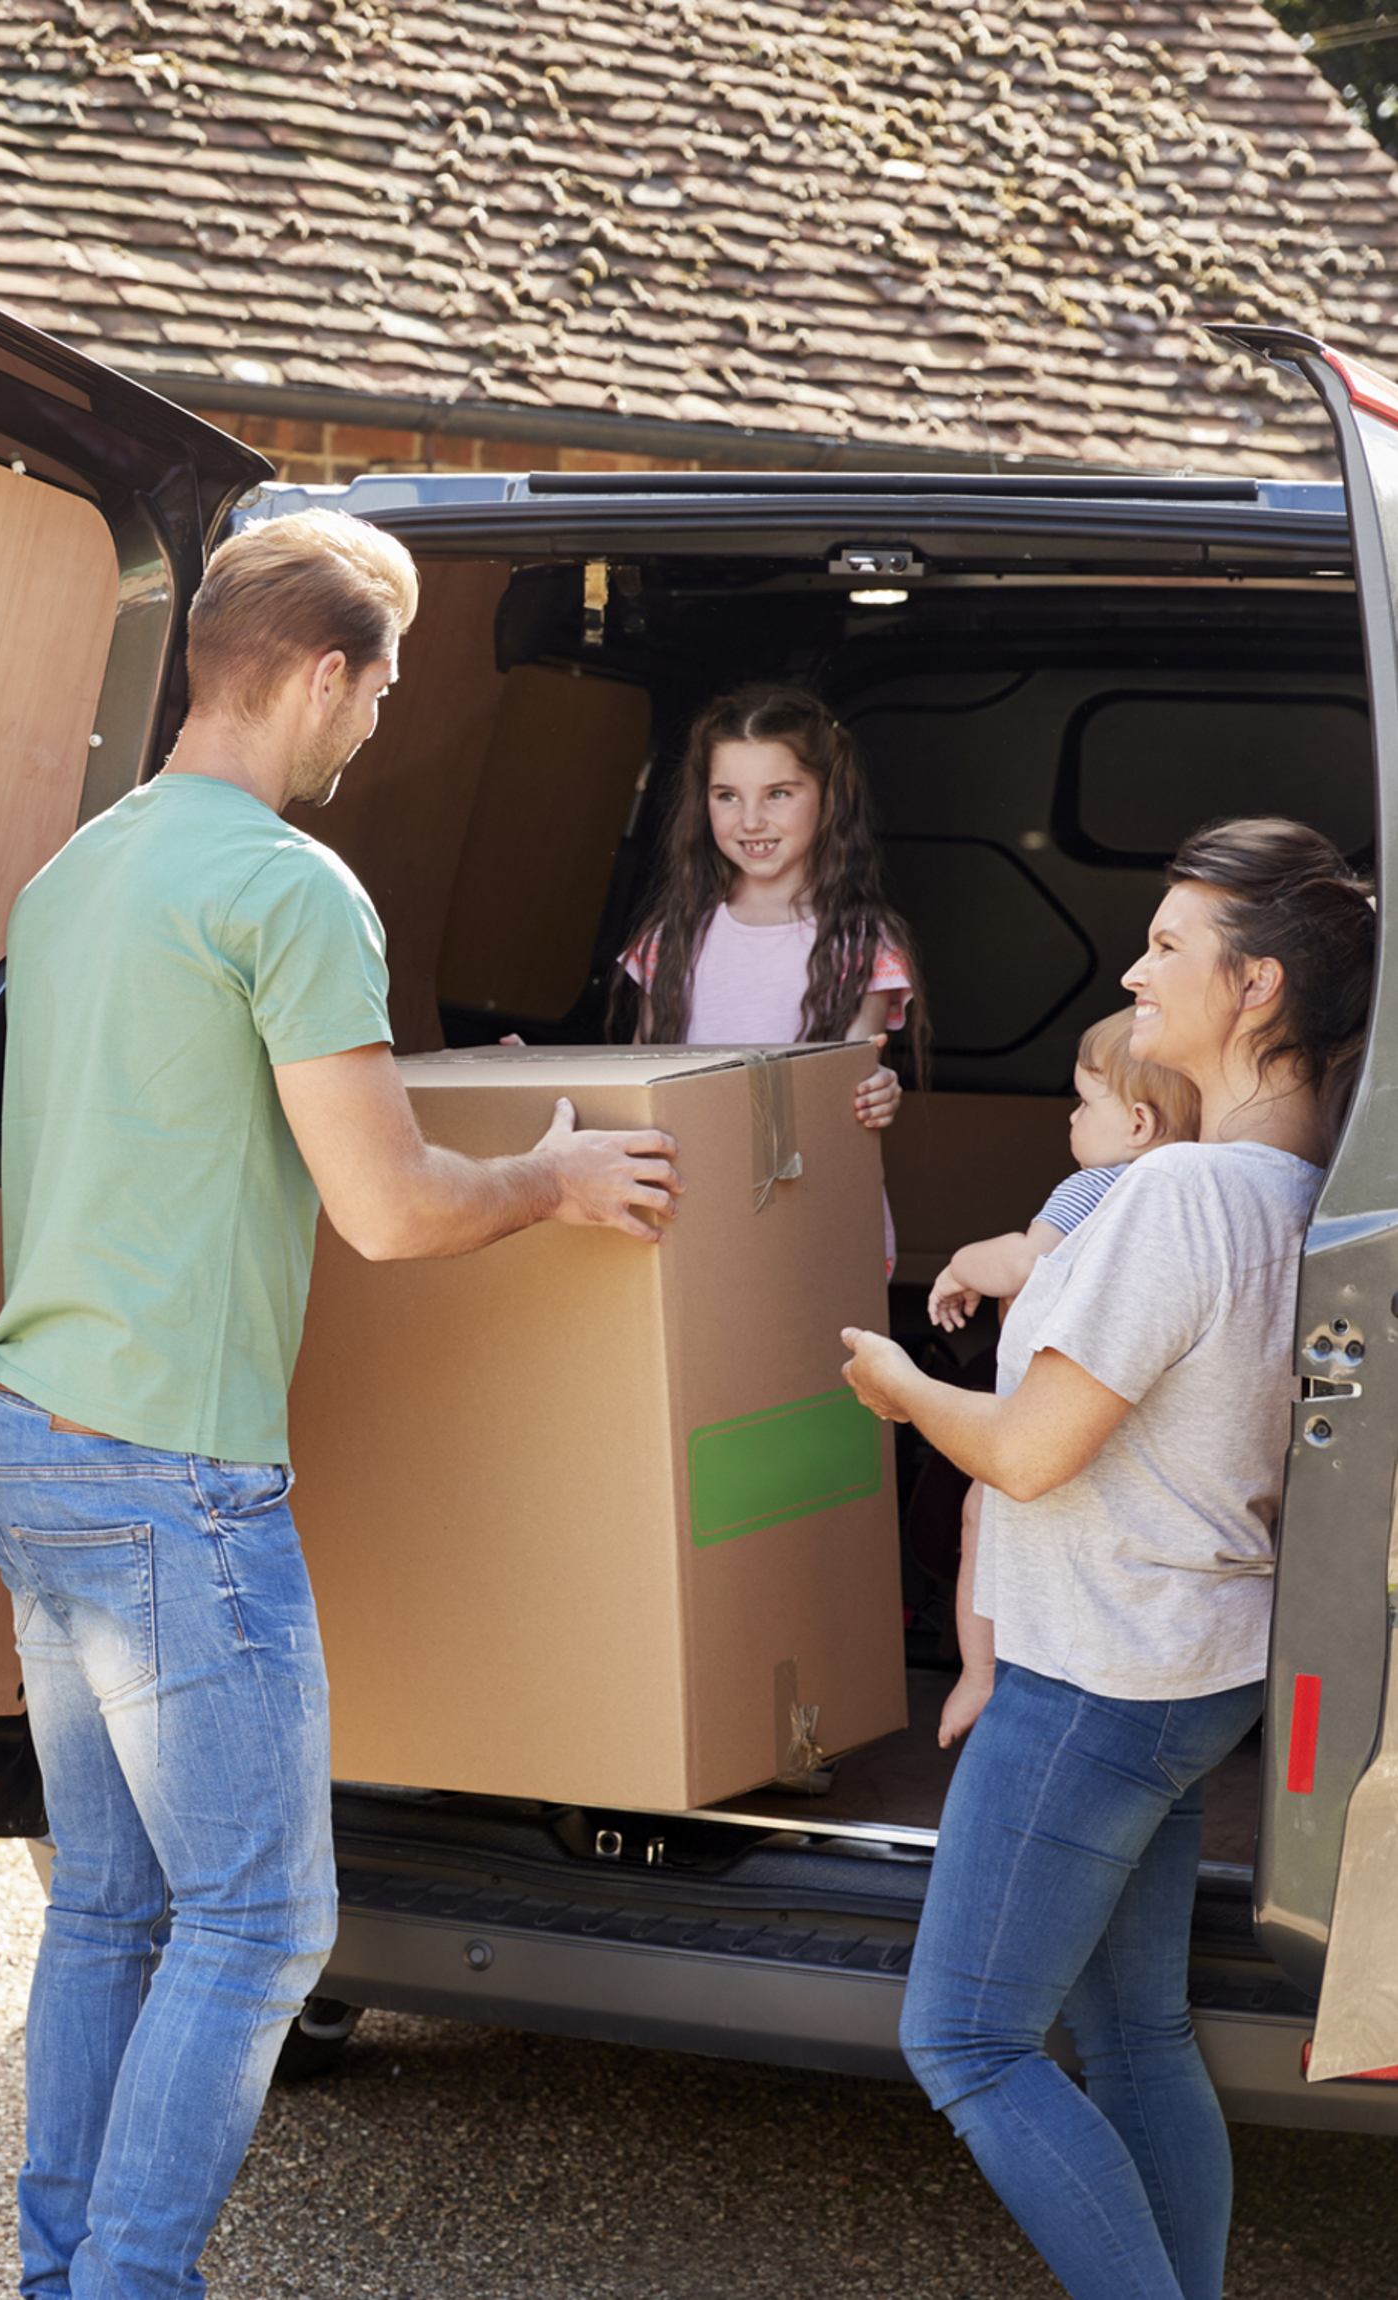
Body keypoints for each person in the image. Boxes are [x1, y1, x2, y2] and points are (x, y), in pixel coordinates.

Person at [0, 508, 684, 2300]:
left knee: (116, 1907)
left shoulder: (80, 873)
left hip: (29, 1439)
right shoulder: (289, 889)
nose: (383, 720)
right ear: (319, 674)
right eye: (384, 683)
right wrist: (555, 1173)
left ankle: (67, 2277)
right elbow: (390, 1206)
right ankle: (122, 2286)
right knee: (265, 1921)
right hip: (167, 1482)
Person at [840, 817, 1372, 2300]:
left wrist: (900, 1384)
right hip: (1197, 1670)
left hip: (1093, 1675)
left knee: (964, 2038)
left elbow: (1024, 1452)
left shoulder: (1180, 1195)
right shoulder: (1299, 1191)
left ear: (1255, 990)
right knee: (1132, 2029)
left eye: (1167, 947)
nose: (1134, 969)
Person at [925, 1007, 1202, 1749]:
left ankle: (979, 1675)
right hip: (1129, 1435)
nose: (1072, 1119)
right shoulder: (1200, 1189)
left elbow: (1024, 1260)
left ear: (1138, 1124)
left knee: (981, 1517)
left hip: (1046, 1410)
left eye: (1084, 1103)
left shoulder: (1095, 1188)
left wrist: (958, 1267)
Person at [611, 681, 917, 1135]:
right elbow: (639, 1087)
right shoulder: (670, 936)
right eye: (727, 795)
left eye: (778, 793)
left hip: (811, 1193)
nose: (750, 820)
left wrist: (878, 1090)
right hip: (697, 1189)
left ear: (830, 798)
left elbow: (851, 1084)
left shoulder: (862, 943)